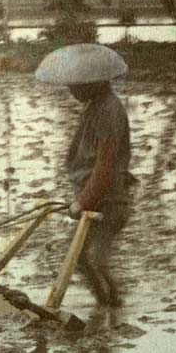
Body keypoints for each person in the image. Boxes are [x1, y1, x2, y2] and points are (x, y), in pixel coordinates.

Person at [35, 44, 133, 306]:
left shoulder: (110, 111)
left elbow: (105, 166)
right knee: (78, 257)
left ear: (93, 83)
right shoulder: (94, 108)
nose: (71, 90)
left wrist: (82, 202)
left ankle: (115, 306)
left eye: (75, 85)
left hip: (110, 202)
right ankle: (104, 305)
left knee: (98, 259)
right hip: (94, 200)